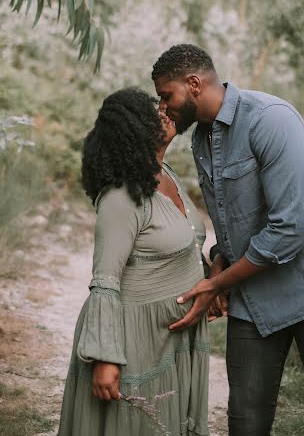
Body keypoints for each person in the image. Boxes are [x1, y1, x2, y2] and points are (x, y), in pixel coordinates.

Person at [152, 44, 304, 436]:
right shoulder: (201, 140)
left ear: (194, 84)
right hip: (254, 300)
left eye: (166, 96)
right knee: (245, 422)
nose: (164, 108)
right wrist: (220, 259)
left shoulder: (270, 120)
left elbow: (290, 229)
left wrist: (218, 283)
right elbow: (232, 221)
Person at [57, 87, 209, 436]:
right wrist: (105, 357)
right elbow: (106, 279)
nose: (164, 112)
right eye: (151, 113)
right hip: (134, 342)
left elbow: (180, 246)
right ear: (133, 130)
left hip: (171, 338)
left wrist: (208, 286)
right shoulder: (121, 197)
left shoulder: (166, 174)